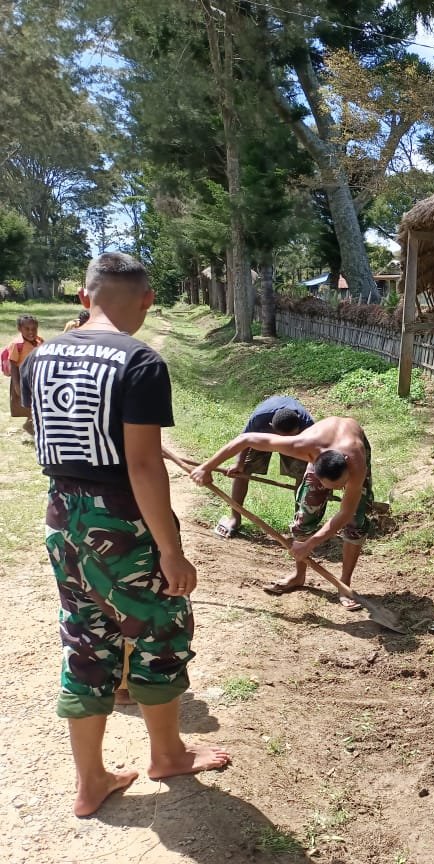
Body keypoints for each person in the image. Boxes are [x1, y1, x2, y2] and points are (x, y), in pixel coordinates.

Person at [21, 253, 230, 817]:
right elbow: (141, 466)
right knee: (160, 625)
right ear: (147, 300)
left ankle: (91, 781)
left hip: (61, 516)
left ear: (84, 297)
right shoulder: (139, 361)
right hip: (120, 519)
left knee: (86, 638)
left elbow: (61, 436)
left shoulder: (38, 359)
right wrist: (170, 550)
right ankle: (167, 754)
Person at [191, 416, 374, 609]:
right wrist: (206, 467)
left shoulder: (355, 460)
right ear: (311, 462)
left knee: (356, 523)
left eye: (342, 485)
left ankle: (344, 584)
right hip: (319, 447)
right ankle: (298, 576)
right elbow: (245, 439)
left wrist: (311, 544)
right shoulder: (300, 446)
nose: (339, 490)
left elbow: (345, 513)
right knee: (303, 520)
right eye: (332, 487)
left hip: (351, 441)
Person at [213, 396, 315, 538]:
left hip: (296, 444)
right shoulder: (259, 419)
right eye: (282, 437)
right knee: (243, 471)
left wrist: (318, 482)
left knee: (304, 477)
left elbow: (315, 456)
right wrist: (239, 464)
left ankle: (300, 525)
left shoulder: (308, 426)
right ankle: (235, 518)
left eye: (289, 436)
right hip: (263, 438)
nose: (283, 442)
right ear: (271, 427)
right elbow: (243, 441)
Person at [2, 313, 43, 432]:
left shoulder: (40, 341)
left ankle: (31, 423)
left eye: (34, 329)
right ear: (19, 329)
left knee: (37, 402)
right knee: (26, 402)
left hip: (36, 377)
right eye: (27, 329)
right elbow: (13, 365)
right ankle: (31, 424)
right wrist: (16, 384)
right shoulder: (17, 345)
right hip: (22, 379)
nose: (31, 332)